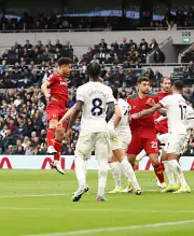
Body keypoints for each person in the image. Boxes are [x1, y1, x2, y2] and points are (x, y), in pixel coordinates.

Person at [58, 61, 115, 202]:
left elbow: (77, 108)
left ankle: (82, 184)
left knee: (80, 157)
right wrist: (103, 121)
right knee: (102, 160)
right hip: (102, 127)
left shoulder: (82, 89)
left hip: (87, 128)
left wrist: (69, 127)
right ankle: (101, 193)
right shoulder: (106, 89)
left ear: (87, 73)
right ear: (100, 73)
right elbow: (112, 109)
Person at [132, 80, 191, 194]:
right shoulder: (182, 100)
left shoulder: (169, 98)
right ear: (182, 89)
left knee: (172, 159)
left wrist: (137, 115)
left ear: (173, 87)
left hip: (176, 132)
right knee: (164, 158)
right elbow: (165, 112)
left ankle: (184, 185)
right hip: (175, 132)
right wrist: (154, 105)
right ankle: (172, 184)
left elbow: (153, 110)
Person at [126, 77, 166, 188]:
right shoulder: (130, 99)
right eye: (144, 84)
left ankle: (162, 183)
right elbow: (127, 116)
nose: (147, 86)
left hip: (149, 133)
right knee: (130, 161)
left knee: (154, 160)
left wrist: (154, 106)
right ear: (138, 85)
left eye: (148, 84)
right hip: (135, 134)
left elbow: (164, 113)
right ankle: (132, 184)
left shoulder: (154, 97)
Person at [135, 77, 172, 184]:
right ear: (161, 84)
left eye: (169, 83)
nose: (167, 85)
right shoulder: (155, 96)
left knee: (165, 157)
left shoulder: (172, 98)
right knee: (151, 145)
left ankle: (161, 177)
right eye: (165, 83)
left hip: (167, 128)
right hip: (155, 126)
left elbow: (169, 112)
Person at [107, 86, 142, 195]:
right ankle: (127, 183)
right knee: (116, 159)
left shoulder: (114, 104)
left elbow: (119, 116)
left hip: (120, 135)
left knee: (114, 159)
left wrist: (113, 127)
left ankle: (126, 183)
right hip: (124, 133)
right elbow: (129, 116)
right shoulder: (124, 102)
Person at [41, 57, 72, 175]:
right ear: (62, 66)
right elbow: (44, 85)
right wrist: (46, 94)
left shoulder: (64, 79)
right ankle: (49, 146)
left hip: (63, 109)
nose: (70, 69)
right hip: (54, 106)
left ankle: (56, 161)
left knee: (60, 134)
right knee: (53, 125)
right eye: (69, 67)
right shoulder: (54, 76)